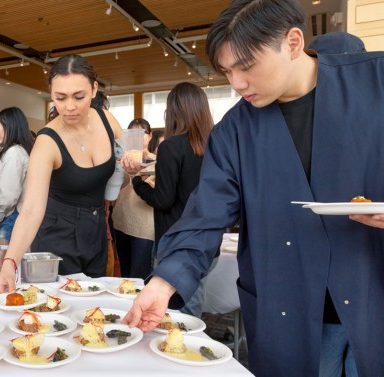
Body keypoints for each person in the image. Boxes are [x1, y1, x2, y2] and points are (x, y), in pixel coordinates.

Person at [123, 0, 384, 376]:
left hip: (373, 297)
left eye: (247, 67)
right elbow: (204, 216)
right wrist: (164, 283)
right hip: (290, 311)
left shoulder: (374, 83)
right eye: (227, 71)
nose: (237, 84)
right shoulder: (234, 131)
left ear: (293, 42)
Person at [0, 54, 123, 293]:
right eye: (60, 98)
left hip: (96, 232)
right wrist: (9, 263)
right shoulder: (47, 141)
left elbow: (126, 154)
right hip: (57, 235)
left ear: (94, 89)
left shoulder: (106, 120)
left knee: (92, 309)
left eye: (79, 96)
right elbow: (31, 209)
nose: (70, 107)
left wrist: (133, 162)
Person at [124, 82, 215, 317]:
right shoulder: (215, 145)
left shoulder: (172, 146)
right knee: (194, 302)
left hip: (176, 240)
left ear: (172, 111)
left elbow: (162, 199)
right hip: (207, 240)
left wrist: (137, 181)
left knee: (175, 313)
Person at [112, 118, 155, 279]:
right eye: (132, 134)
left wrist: (137, 172)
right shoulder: (121, 160)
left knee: (139, 275)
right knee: (125, 273)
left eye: (141, 133)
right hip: (121, 221)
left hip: (143, 227)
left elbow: (153, 192)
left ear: (149, 136)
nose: (137, 138)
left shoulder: (156, 160)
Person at [0, 107, 34, 242]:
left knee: (7, 261)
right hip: (10, 217)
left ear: (9, 126)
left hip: (11, 218)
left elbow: (8, 197)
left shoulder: (14, 153)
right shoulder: (14, 151)